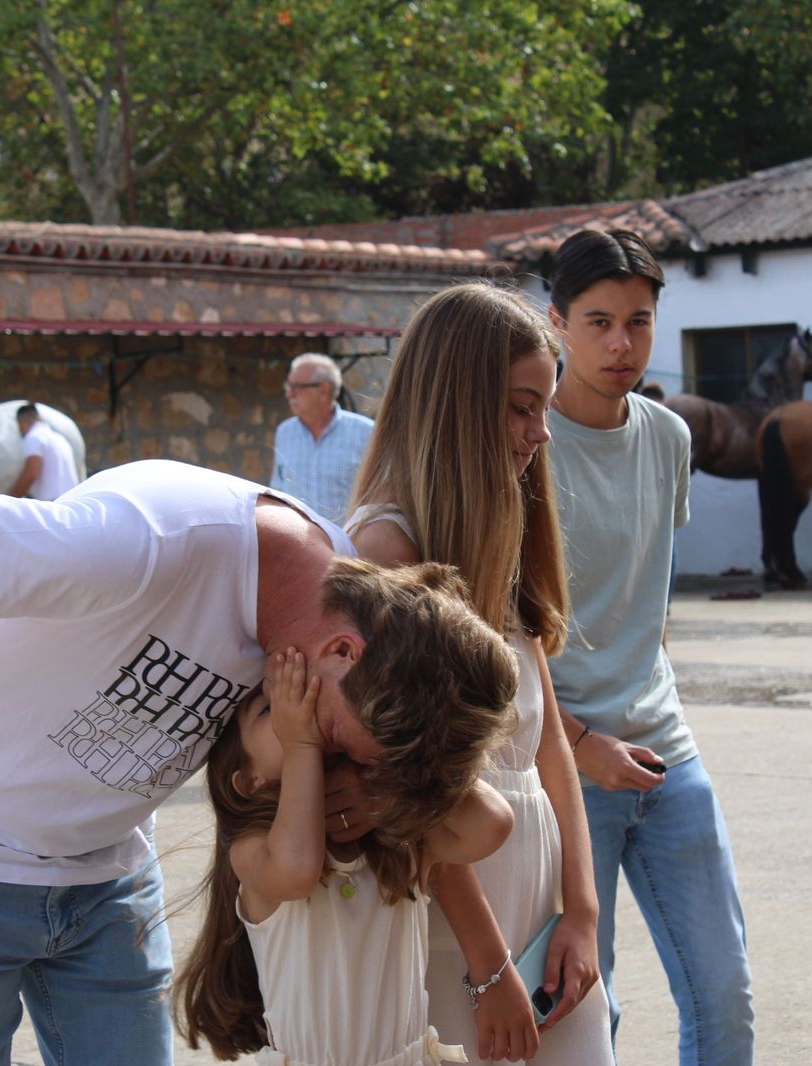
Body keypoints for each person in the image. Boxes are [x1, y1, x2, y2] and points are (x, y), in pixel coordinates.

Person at [0, 459, 520, 1066]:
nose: (331, 760)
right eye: (340, 743)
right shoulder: (147, 543)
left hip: (105, 878)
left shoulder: (349, 606)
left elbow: (479, 820)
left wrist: (386, 798)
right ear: (343, 654)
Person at [346, 282, 614, 1065]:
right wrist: (490, 965)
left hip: (542, 911)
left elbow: (550, 750)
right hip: (456, 922)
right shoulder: (384, 553)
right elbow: (414, 786)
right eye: (520, 408)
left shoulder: (501, 525)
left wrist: (584, 914)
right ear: (456, 403)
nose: (543, 433)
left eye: (544, 407)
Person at [545, 229, 754, 1065]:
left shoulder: (669, 437)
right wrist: (581, 743)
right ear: (556, 321)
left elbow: (648, 597)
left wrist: (639, 695)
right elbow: (486, 647)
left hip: (667, 759)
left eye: (638, 320)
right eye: (597, 321)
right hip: (562, 767)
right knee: (589, 1017)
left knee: (725, 995)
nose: (620, 343)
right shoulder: (521, 445)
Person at [178, 647, 515, 1066]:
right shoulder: (252, 850)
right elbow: (298, 870)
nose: (293, 705)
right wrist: (301, 741)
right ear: (248, 781)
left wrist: (388, 775)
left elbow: (492, 824)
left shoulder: (395, 839)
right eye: (270, 709)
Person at [271, 353, 376, 524]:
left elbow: (378, 499)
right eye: (288, 386)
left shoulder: (366, 433)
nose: (289, 394)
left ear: (324, 391)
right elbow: (277, 491)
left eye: (297, 386)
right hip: (297, 546)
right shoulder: (285, 432)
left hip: (347, 547)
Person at [9, 403, 82, 500]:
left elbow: (31, 473)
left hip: (51, 503)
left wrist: (11, 499)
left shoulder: (33, 438)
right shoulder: (58, 438)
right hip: (69, 499)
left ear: (23, 423)